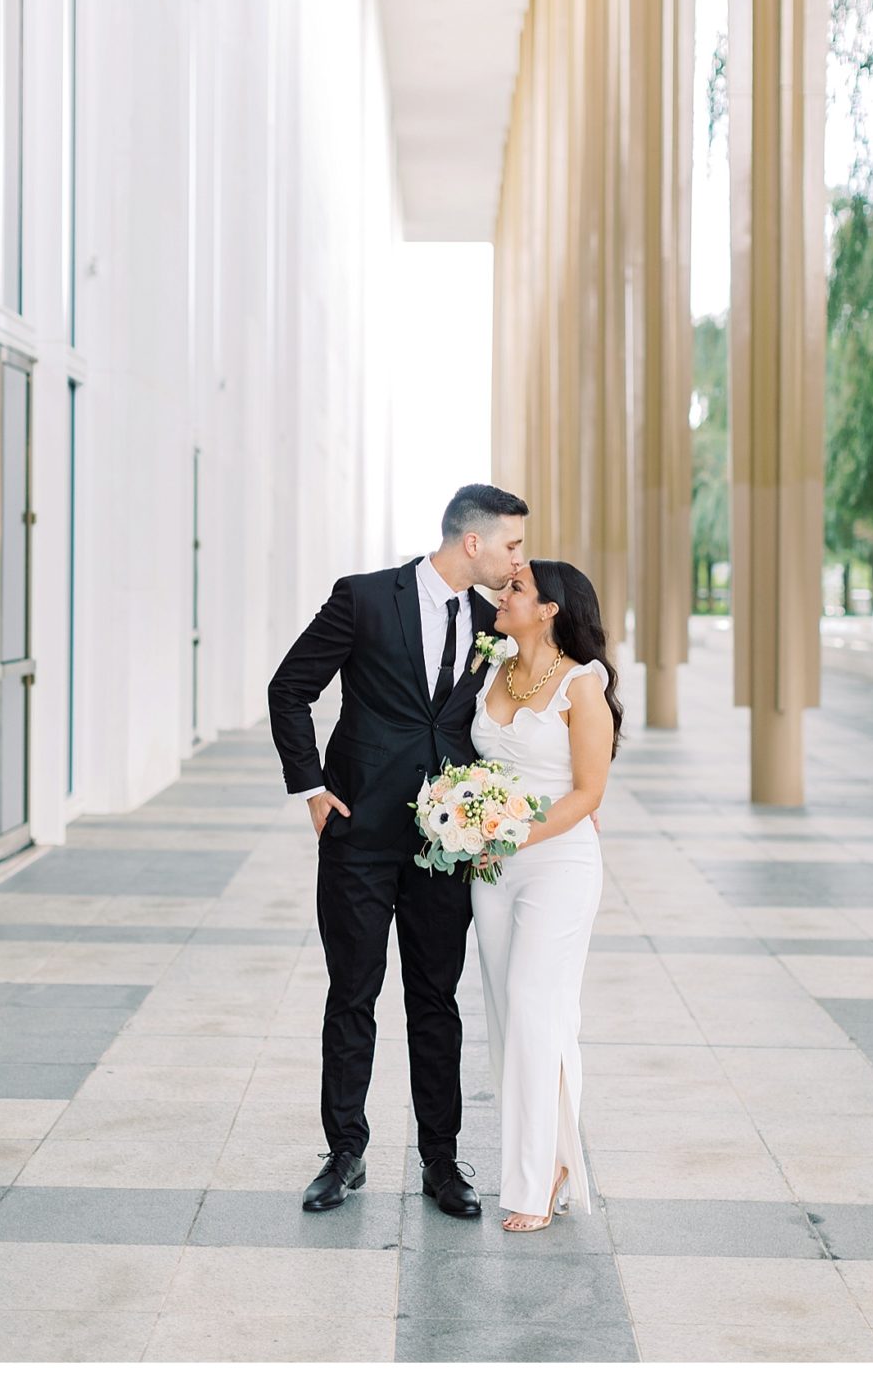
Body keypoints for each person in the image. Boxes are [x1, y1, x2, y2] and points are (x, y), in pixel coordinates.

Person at [268, 483, 528, 1216]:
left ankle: (441, 1162)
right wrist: (312, 790)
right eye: (511, 544)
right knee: (352, 993)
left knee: (435, 1001)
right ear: (470, 541)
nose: (518, 560)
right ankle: (344, 1151)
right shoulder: (364, 598)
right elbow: (288, 688)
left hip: (445, 849)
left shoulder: (491, 621)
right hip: (357, 835)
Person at [469, 558, 619, 1230]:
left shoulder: (583, 684)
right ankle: (552, 1154)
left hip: (557, 860)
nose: (504, 593)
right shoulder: (492, 667)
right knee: (513, 1016)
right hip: (491, 869)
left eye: (518, 587)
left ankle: (533, 1183)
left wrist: (515, 833)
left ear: (553, 607)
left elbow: (589, 791)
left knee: (536, 1005)